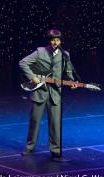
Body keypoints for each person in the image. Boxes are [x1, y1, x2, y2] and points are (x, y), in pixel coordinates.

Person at [19, 29, 77, 158]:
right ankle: (30, 147)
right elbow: (23, 62)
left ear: (60, 41)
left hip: (56, 92)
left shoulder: (65, 54)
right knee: (34, 121)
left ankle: (55, 149)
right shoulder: (40, 52)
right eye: (52, 40)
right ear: (49, 41)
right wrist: (33, 77)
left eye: (57, 40)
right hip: (40, 91)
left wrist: (71, 81)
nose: (55, 42)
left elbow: (68, 72)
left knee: (55, 123)